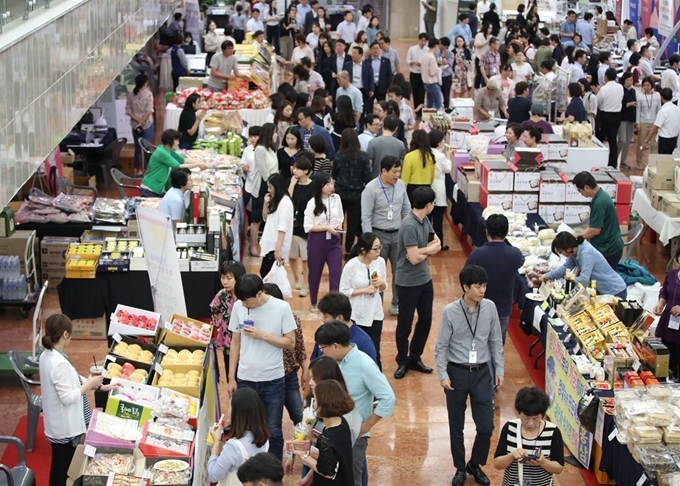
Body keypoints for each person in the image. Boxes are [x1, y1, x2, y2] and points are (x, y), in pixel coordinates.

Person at [435, 265, 504, 486]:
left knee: (486, 427)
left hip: (483, 372)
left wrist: (499, 370)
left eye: (484, 285)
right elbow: (441, 346)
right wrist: (443, 374)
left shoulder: (490, 308)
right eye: (478, 286)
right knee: (456, 426)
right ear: (465, 287)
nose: (482, 290)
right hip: (457, 373)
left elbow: (495, 341)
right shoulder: (450, 311)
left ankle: (475, 464)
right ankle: (459, 468)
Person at [40, 314, 119, 486]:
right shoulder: (59, 362)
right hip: (65, 428)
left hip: (56, 425)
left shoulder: (47, 356)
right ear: (66, 334)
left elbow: (73, 379)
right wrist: (90, 383)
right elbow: (67, 397)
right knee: (64, 468)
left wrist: (99, 386)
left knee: (58, 465)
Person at [314, 321, 395, 486]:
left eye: (323, 348)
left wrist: (367, 425)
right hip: (329, 430)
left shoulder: (364, 364)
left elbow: (388, 397)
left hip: (353, 434)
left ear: (336, 346)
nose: (321, 352)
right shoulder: (331, 362)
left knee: (352, 479)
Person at [228, 273, 298, 460]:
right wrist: (231, 378)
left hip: (273, 379)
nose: (243, 304)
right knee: (245, 428)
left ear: (259, 293)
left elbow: (291, 342)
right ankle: (249, 468)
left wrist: (263, 335)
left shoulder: (282, 307)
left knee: (273, 429)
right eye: (240, 300)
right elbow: (235, 343)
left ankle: (273, 470)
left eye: (246, 301)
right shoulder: (238, 307)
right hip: (245, 378)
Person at [394, 186, 440, 379]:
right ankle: (402, 360)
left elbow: (436, 242)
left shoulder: (425, 220)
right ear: (428, 205)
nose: (434, 206)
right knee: (405, 323)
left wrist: (422, 250)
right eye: (433, 203)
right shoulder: (409, 225)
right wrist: (426, 250)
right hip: (407, 282)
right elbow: (413, 259)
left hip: (424, 280)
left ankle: (415, 356)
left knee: (426, 320)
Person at [361, 157, 411, 317]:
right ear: (383, 171)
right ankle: (377, 305)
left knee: (400, 271)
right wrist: (371, 242)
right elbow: (366, 217)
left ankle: (396, 303)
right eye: (394, 171)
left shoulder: (401, 185)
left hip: (397, 235)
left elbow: (406, 209)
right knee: (377, 273)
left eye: (399, 171)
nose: (398, 175)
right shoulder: (371, 189)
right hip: (378, 235)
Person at [465, 214, 524, 343]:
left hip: (479, 307)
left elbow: (465, 277)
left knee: (477, 343)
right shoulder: (515, 254)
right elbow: (520, 261)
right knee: (497, 345)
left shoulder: (477, 254)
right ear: (507, 232)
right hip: (503, 308)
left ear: (486, 231)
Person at [493, 387, 565, 486]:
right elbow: (497, 464)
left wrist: (543, 462)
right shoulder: (510, 427)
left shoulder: (553, 432)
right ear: (517, 412)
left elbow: (558, 468)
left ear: (543, 415)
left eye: (535, 418)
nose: (530, 423)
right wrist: (511, 456)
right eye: (525, 417)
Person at [293, 380, 355, 485]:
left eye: (315, 399)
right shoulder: (342, 423)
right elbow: (333, 453)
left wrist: (303, 455)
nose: (313, 403)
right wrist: (314, 439)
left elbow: (327, 471)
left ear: (323, 404)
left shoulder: (327, 437)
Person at [340, 233, 387, 369]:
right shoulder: (351, 265)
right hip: (357, 315)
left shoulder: (380, 262)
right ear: (363, 249)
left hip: (375, 313)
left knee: (374, 350)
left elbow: (384, 287)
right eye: (375, 249)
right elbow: (343, 291)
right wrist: (364, 290)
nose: (379, 252)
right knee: (356, 351)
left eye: (380, 248)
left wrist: (382, 283)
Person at [207, 388, 271, 483]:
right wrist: (222, 447)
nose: (229, 411)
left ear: (237, 413)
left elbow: (213, 476)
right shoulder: (264, 438)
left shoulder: (233, 446)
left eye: (230, 407)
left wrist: (216, 444)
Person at [541, 233, 627, 298]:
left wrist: (560, 284)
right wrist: (547, 276)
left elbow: (583, 279)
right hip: (603, 291)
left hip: (615, 290)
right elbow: (565, 268)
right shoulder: (574, 252)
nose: (561, 254)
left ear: (568, 248)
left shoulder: (586, 253)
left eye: (560, 251)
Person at [304, 172, 344, 310]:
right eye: (327, 184)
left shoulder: (336, 198)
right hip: (317, 240)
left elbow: (340, 216)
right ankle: (314, 302)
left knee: (336, 272)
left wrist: (339, 225)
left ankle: (334, 304)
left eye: (332, 183)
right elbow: (307, 226)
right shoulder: (312, 203)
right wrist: (326, 227)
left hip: (334, 240)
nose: (330, 187)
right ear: (320, 185)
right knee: (315, 273)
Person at [572, 171, 624, 269]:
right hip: (608, 246)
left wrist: (575, 237)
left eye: (580, 190)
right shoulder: (600, 197)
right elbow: (593, 224)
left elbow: (595, 230)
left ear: (586, 187)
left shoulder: (599, 203)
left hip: (609, 250)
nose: (581, 194)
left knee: (604, 280)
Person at [333, 128, 372, 254]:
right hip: (357, 194)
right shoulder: (363, 156)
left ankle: (337, 247)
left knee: (339, 221)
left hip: (340, 193)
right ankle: (349, 249)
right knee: (353, 223)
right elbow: (368, 177)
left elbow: (334, 174)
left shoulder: (338, 156)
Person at [309, 293, 378, 364]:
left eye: (325, 316)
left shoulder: (364, 343)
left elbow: (370, 371)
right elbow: (313, 364)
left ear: (339, 318)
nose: (323, 320)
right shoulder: (324, 334)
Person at [140, 129, 206, 197]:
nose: (178, 143)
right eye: (176, 140)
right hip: (151, 188)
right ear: (170, 141)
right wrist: (198, 165)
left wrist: (202, 162)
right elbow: (178, 166)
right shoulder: (162, 152)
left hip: (158, 188)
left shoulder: (168, 150)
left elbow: (183, 160)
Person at [211, 260, 247, 379]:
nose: (225, 281)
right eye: (222, 277)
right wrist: (219, 324)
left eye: (229, 278)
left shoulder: (246, 296)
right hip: (228, 343)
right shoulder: (222, 295)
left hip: (246, 342)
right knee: (231, 375)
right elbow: (214, 309)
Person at [288, 156, 314, 297]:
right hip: (292, 223)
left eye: (298, 168)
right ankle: (296, 278)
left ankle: (306, 284)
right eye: (294, 167)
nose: (295, 170)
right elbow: (287, 200)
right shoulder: (291, 182)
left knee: (305, 257)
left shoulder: (313, 185)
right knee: (292, 254)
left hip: (306, 224)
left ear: (305, 170)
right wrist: (292, 184)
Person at [653, 247, 680, 381]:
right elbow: (664, 292)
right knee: (667, 353)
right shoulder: (672, 274)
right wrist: (661, 304)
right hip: (668, 322)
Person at [260, 173, 294, 278]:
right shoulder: (275, 199)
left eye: (270, 187)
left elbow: (282, 228)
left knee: (271, 276)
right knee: (265, 273)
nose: (268, 190)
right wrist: (266, 204)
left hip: (275, 247)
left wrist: (278, 250)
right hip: (270, 245)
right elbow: (265, 218)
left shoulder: (285, 203)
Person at [126, 74, 154, 176]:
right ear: (145, 84)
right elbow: (149, 110)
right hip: (147, 125)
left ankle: (138, 171)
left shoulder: (130, 95)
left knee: (137, 149)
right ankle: (147, 170)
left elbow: (128, 110)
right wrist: (142, 122)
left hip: (134, 125)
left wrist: (137, 122)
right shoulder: (148, 94)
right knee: (147, 148)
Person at [597, 68, 624, 167]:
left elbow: (598, 102)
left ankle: (598, 161)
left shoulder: (604, 88)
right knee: (613, 140)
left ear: (606, 77)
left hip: (605, 115)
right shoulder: (620, 87)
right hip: (617, 115)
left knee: (600, 139)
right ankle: (612, 164)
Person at [643, 87, 680, 155]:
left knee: (663, 160)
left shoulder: (663, 111)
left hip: (664, 140)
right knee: (669, 159)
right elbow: (678, 126)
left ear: (661, 97)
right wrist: (676, 141)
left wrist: (646, 141)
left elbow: (654, 128)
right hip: (674, 139)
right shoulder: (677, 109)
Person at [402, 130, 435, 202]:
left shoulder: (409, 156)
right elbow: (432, 177)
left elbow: (405, 177)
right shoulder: (430, 156)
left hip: (412, 189)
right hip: (427, 188)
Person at [636, 76, 661, 167]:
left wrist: (659, 123)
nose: (646, 87)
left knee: (654, 144)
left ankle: (653, 163)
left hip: (654, 122)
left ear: (652, 86)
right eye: (644, 85)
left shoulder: (657, 95)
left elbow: (658, 109)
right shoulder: (640, 96)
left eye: (648, 85)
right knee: (641, 143)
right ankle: (639, 161)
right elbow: (638, 110)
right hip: (643, 122)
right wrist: (637, 122)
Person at [407, 33, 430, 119]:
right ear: (419, 40)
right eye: (422, 40)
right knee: (415, 93)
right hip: (413, 73)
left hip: (423, 74)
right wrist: (414, 62)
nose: (423, 42)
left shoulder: (427, 50)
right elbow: (408, 60)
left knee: (422, 94)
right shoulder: (412, 49)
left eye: (425, 41)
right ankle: (416, 111)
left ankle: (420, 113)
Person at [618, 71, 638, 168]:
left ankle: (624, 160)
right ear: (624, 80)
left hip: (631, 118)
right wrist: (630, 104)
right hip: (622, 117)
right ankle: (615, 158)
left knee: (628, 141)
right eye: (628, 80)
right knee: (622, 140)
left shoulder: (633, 91)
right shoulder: (621, 90)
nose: (630, 82)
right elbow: (620, 104)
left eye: (631, 80)